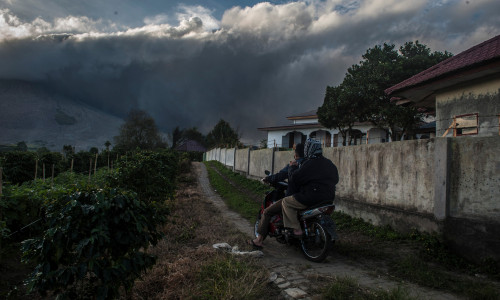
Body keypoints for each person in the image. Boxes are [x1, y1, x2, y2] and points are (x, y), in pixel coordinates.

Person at [248, 143, 304, 249]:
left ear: (296, 155)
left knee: (267, 212)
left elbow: (281, 175)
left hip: (295, 198)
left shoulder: (295, 165)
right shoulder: (309, 164)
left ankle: (259, 240)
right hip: (310, 197)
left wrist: (268, 178)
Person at [281, 138, 339, 236]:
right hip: (329, 198)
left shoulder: (309, 164)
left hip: (311, 197)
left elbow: (294, 179)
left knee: (286, 202)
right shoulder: (329, 163)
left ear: (308, 149)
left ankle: (296, 229)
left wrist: (292, 167)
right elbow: (336, 179)